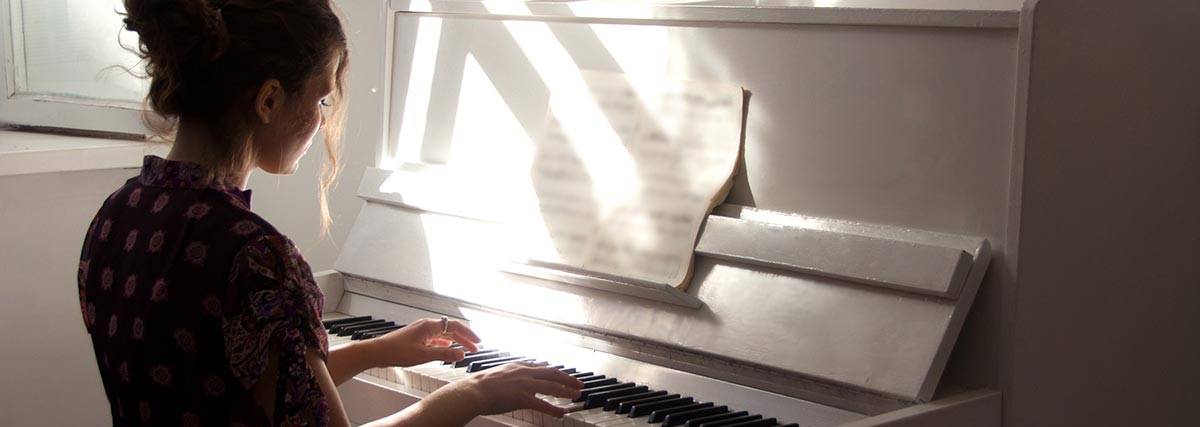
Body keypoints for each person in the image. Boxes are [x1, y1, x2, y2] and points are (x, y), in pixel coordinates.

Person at [76, 0, 583, 425]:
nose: (322, 120)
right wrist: (471, 396)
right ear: (269, 100)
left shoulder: (117, 215)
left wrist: (376, 350)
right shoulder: (255, 256)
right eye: (320, 99)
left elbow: (228, 389)